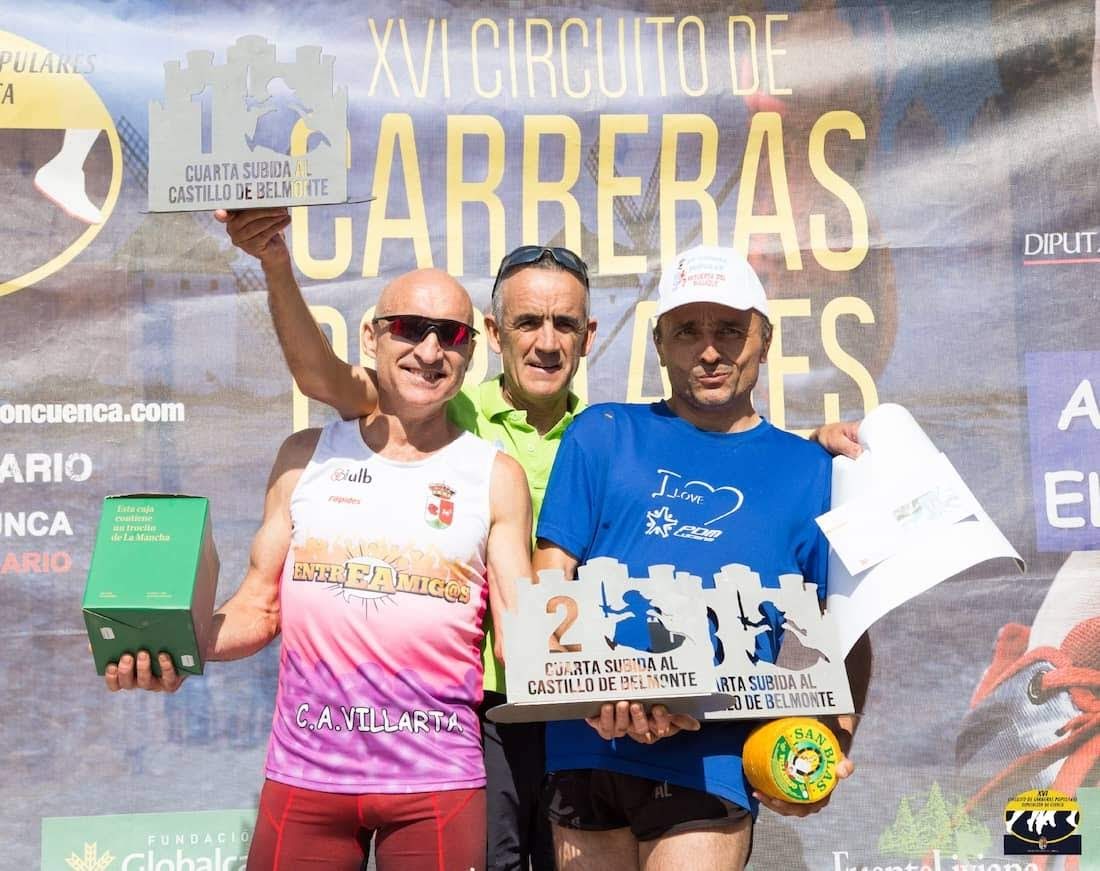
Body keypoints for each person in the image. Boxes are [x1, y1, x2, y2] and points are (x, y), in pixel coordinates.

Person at [214, 207, 864, 871]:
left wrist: (803, 448)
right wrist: (275, 263)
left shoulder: (602, 433)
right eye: (528, 322)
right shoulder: (443, 406)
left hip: (586, 708)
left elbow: (728, 461)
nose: (546, 342)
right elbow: (326, 379)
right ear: (494, 335)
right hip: (484, 710)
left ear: (588, 337)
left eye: (564, 325)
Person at [106, 268, 533, 871]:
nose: (431, 350)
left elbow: (521, 636)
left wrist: (616, 687)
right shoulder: (305, 456)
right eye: (411, 328)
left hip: (436, 782)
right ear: (371, 337)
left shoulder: (495, 474)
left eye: (452, 334)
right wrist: (174, 648)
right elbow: (259, 606)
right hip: (307, 775)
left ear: (471, 351)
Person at [531, 244, 858, 871]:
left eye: (729, 330)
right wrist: (597, 685)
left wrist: (836, 739)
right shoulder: (600, 432)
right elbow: (551, 579)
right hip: (586, 743)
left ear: (765, 339)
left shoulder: (812, 471)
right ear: (659, 343)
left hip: (714, 760)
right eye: (687, 332)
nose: (709, 351)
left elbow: (844, 626)